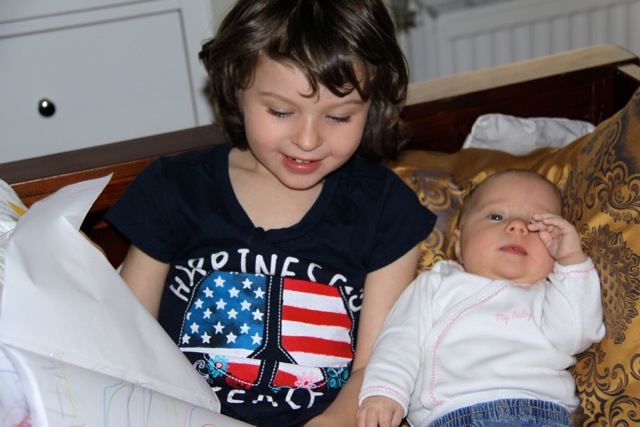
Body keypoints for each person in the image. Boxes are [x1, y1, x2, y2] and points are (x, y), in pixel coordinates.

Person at [104, 0, 436, 426]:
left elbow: (375, 369)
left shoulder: (389, 210)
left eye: (339, 117)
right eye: (280, 111)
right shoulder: (172, 189)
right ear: (236, 85)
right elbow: (126, 339)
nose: (308, 139)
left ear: (373, 105)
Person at [357, 169, 606, 427]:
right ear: (459, 244)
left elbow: (578, 334)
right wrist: (384, 392)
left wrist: (571, 261)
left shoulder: (553, 295)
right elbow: (401, 338)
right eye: (496, 216)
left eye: (537, 224)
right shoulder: (437, 284)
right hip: (454, 414)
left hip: (541, 413)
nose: (518, 226)